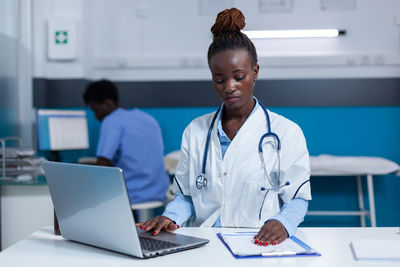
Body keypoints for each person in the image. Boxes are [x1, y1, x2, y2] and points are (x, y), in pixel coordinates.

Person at [137, 8, 311, 246]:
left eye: (239, 77)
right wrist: (171, 216)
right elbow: (187, 196)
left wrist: (284, 223)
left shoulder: (286, 133)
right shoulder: (195, 131)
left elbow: (298, 199)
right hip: (205, 243)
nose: (229, 87)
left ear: (255, 72)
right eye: (219, 79)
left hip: (256, 244)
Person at [83, 80, 170, 220]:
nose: (95, 116)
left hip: (133, 195)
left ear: (108, 104)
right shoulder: (147, 119)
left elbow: (102, 164)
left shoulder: (111, 121)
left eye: (95, 110)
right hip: (159, 192)